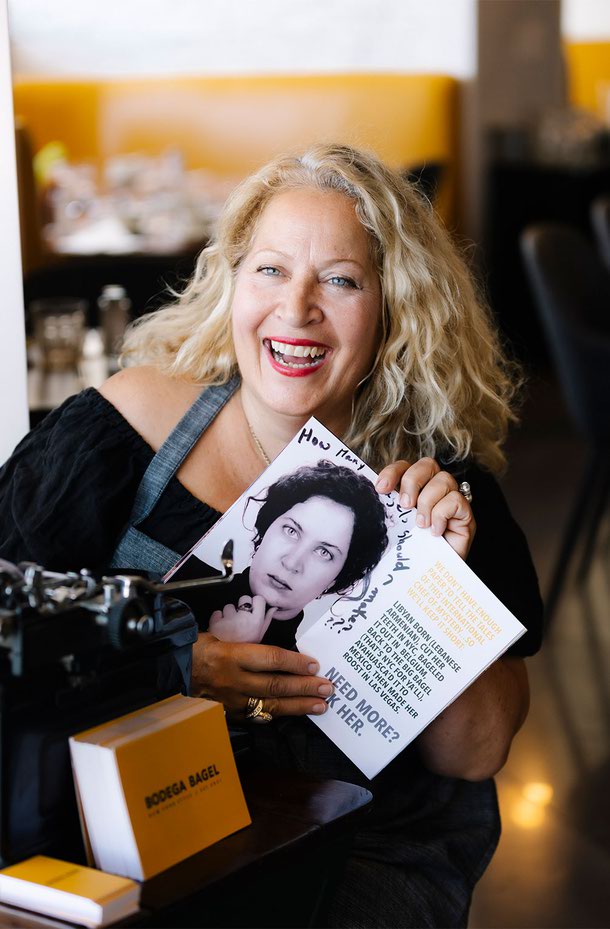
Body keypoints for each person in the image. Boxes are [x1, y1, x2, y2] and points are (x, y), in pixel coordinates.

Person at [0, 142, 542, 927]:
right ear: (231, 282)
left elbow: (477, 753)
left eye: (342, 280)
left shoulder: (434, 485)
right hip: (109, 830)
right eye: (271, 270)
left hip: (347, 848)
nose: (297, 310)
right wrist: (167, 666)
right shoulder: (130, 425)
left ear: (394, 306)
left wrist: (433, 575)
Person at [185, 458, 389, 646]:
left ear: (337, 579)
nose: (292, 563)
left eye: (324, 552)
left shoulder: (306, 676)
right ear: (266, 529)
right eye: (291, 531)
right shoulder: (178, 578)